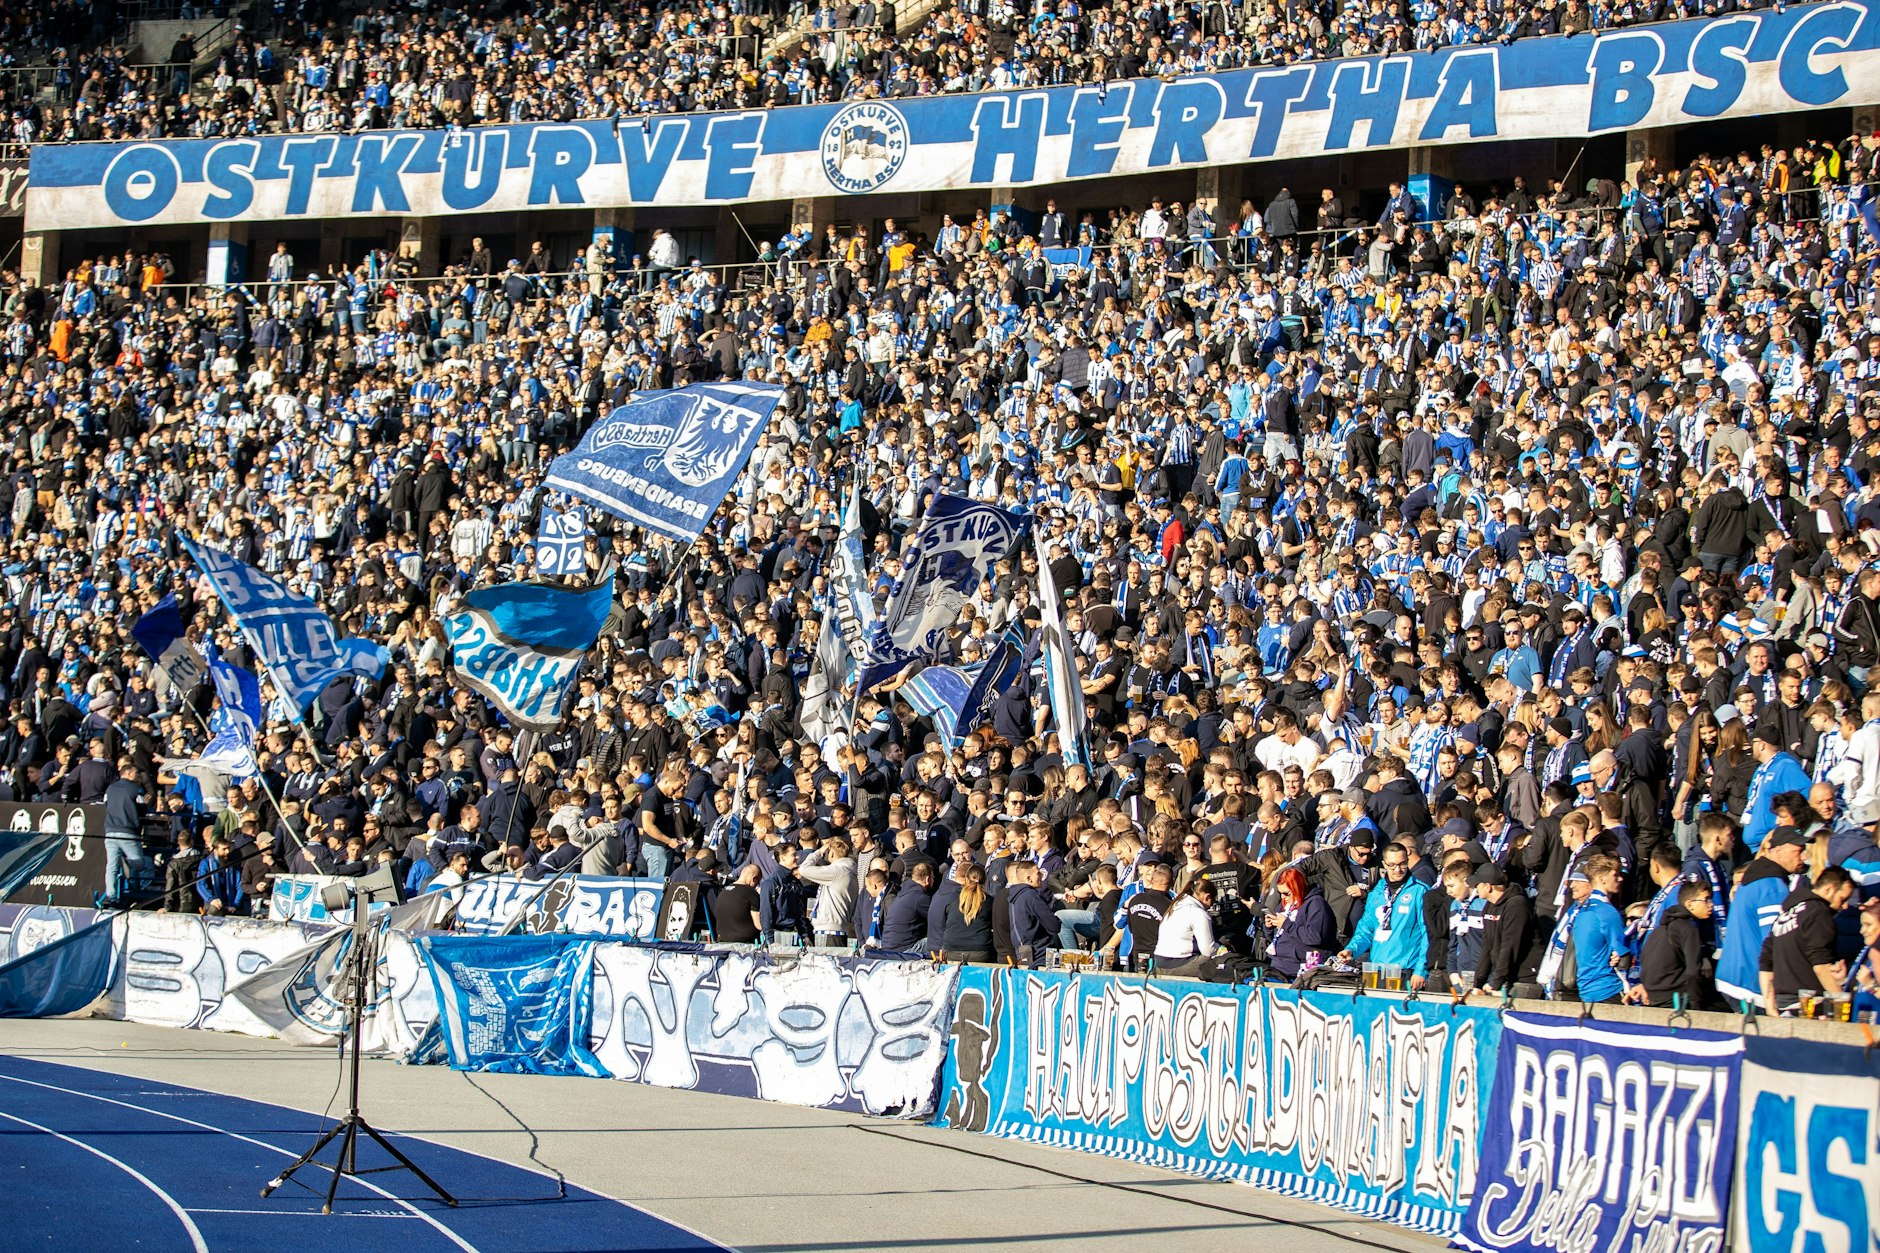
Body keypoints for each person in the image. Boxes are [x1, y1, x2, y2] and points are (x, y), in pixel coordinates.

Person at [1717, 825, 1809, 1007]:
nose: (1804, 856)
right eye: (1798, 850)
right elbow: (1775, 943)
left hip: (1732, 975)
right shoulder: (1773, 887)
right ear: (1778, 851)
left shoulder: (1756, 875)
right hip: (1750, 986)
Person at [1761, 865, 1855, 1015]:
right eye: (1842, 899)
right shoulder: (1819, 913)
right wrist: (1842, 1006)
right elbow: (1820, 966)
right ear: (1829, 889)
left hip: (1783, 1005)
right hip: (1810, 1006)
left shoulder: (1787, 914)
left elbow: (1765, 961)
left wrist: (1770, 1007)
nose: (1845, 906)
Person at [1336, 841, 1431, 985]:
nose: (1398, 870)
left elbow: (1427, 933)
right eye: (1392, 865)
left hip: (1405, 968)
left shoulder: (1420, 891)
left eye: (1402, 864)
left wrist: (1420, 970)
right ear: (1384, 865)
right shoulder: (1377, 892)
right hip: (1375, 968)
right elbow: (1366, 930)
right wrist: (1351, 950)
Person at [1637, 880, 1715, 1009]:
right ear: (1690, 905)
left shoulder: (1661, 927)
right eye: (1706, 900)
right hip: (1677, 999)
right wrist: (1697, 1005)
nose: (1711, 905)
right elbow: (1693, 972)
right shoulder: (1688, 929)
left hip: (1654, 998)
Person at [1568, 854, 1630, 1004]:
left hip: (1586, 989)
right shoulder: (1606, 912)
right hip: (1609, 988)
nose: (1620, 879)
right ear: (1602, 879)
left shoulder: (1579, 910)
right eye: (1615, 875)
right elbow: (1624, 958)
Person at [1264, 865, 1336, 979]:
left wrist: (1287, 925)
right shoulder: (1284, 905)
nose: (1283, 897)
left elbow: (1315, 936)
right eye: (1280, 893)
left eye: (1286, 893)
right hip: (1278, 966)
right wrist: (1269, 927)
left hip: (1301, 968)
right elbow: (1275, 938)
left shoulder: (1316, 904)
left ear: (1297, 888)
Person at [938, 863, 996, 963]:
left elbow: (944, 924)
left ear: (966, 879)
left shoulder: (953, 898)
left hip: (951, 949)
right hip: (980, 951)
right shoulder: (990, 901)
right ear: (985, 881)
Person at [712, 864, 763, 943]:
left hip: (722, 940)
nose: (756, 886)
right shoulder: (751, 893)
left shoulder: (723, 891)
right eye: (758, 882)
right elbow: (759, 925)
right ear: (754, 879)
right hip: (745, 943)